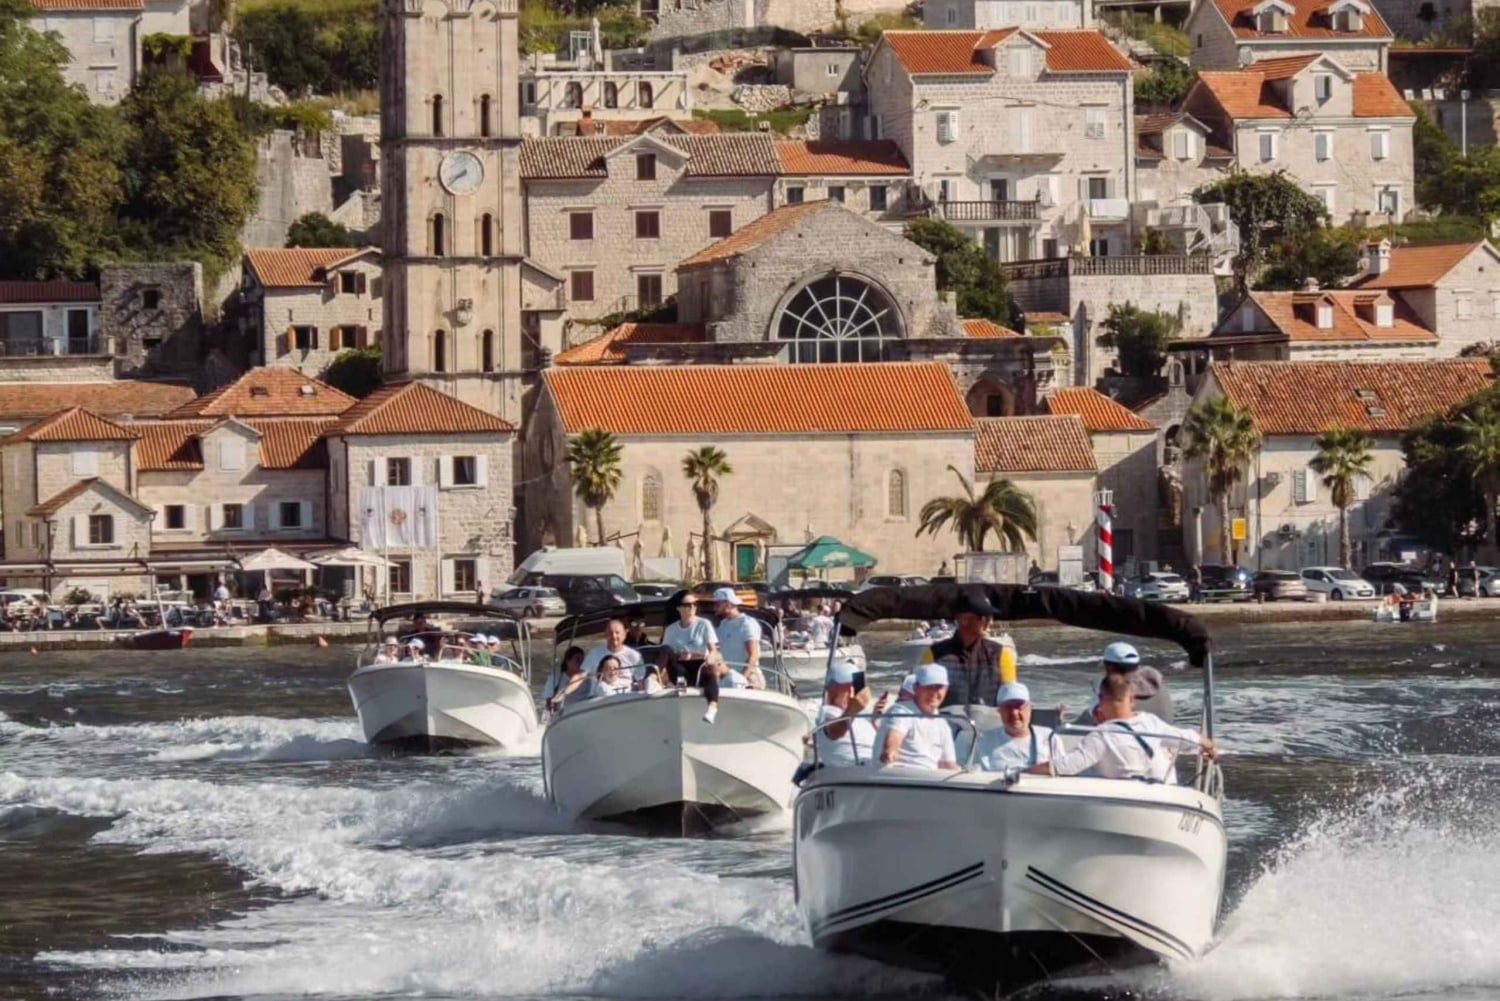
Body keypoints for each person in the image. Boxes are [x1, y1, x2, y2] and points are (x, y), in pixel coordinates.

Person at [1036, 673, 1215, 782]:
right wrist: (1208, 745)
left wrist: (1026, 771)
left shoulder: (1101, 736)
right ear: (1132, 700)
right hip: (1159, 795)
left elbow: (1066, 766)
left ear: (1102, 701)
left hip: (1124, 800)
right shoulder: (1150, 722)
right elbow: (1185, 737)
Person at [927, 590, 1004, 707]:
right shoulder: (934, 654)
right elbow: (917, 692)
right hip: (944, 723)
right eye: (986, 618)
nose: (991, 622)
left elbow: (1011, 697)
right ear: (963, 620)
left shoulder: (1001, 654)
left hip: (990, 723)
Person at [877, 664, 959, 770]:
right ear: (916, 688)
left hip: (928, 780)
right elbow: (895, 735)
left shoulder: (943, 725)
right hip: (897, 777)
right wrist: (890, 750)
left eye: (939, 687)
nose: (934, 692)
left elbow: (948, 765)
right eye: (929, 686)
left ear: (946, 690)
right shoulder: (901, 711)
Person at [1076, 641, 1173, 723]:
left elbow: (1099, 719)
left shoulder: (1108, 690)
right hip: (1165, 737)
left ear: (1109, 667)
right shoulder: (1157, 682)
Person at [661, 594, 722, 723]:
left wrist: (708, 658)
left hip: (699, 666)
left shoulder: (704, 624)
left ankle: (712, 707)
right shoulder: (671, 629)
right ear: (679, 608)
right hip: (679, 668)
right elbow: (668, 653)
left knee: (709, 671)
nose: (692, 607)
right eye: (688, 605)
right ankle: (652, 677)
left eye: (694, 604)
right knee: (665, 650)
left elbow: (714, 650)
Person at [815, 660, 885, 766]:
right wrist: (852, 710)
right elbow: (834, 733)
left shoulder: (859, 716)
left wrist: (874, 720)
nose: (859, 692)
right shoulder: (829, 712)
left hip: (873, 764)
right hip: (854, 769)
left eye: (860, 687)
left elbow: (880, 743)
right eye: (854, 688)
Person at [976, 682, 1056, 772]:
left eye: (1019, 706)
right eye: (1008, 707)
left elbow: (1064, 772)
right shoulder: (984, 740)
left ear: (1030, 709)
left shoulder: (1049, 737)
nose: (1014, 713)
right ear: (999, 711)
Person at [712, 587, 766, 690]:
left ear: (727, 604)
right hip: (729, 677)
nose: (714, 608)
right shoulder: (723, 625)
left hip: (749, 676)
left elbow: (753, 655)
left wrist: (742, 679)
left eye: (717, 604)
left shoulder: (746, 623)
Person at [543, 645, 590, 713]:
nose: (581, 663)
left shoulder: (589, 678)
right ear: (567, 661)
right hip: (565, 714)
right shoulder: (556, 678)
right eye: (577, 660)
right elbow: (548, 701)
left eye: (583, 660)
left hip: (585, 711)